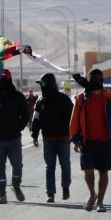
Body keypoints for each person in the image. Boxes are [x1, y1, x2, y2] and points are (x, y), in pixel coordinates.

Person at [69, 69, 111, 212]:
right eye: (93, 78)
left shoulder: (110, 98)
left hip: (105, 142)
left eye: (98, 78)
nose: (96, 81)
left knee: (103, 172)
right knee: (88, 171)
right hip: (87, 141)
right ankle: (92, 194)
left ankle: (100, 202)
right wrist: (75, 138)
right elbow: (74, 120)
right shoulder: (81, 99)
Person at [0, 69, 29, 204]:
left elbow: (26, 115)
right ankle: (1, 193)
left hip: (14, 137)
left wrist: (18, 127)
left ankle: (16, 185)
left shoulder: (18, 96)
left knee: (17, 164)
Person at [31, 73, 74, 203]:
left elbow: (72, 119)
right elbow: (36, 119)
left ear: (50, 84)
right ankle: (50, 193)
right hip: (48, 138)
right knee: (50, 167)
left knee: (65, 165)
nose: (41, 86)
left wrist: (70, 135)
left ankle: (65, 186)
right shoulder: (40, 101)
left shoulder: (64, 100)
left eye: (43, 84)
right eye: (40, 84)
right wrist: (34, 134)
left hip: (63, 139)